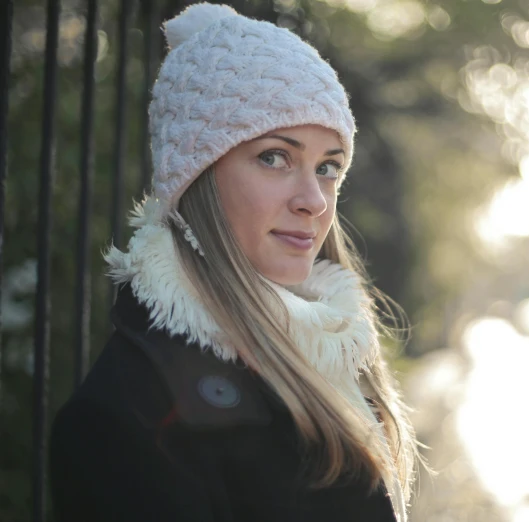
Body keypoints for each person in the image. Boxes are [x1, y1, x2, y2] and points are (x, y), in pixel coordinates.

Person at [48, 3, 421, 521]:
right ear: (196, 177)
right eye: (274, 156)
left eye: (328, 166)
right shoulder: (121, 419)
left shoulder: (333, 350)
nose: (314, 200)